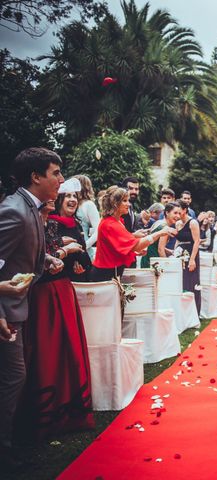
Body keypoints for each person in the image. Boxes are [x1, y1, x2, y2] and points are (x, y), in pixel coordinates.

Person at [0, 147, 64, 471]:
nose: (61, 180)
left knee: (14, 379)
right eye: (55, 173)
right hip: (6, 312)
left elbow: (24, 255)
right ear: (36, 176)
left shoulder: (33, 208)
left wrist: (46, 260)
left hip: (19, 308)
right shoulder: (14, 210)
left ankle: (11, 444)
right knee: (13, 378)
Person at [25, 196, 94, 440]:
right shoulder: (29, 222)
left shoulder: (53, 226)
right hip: (42, 293)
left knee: (70, 349)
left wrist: (74, 256)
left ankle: (71, 409)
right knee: (47, 350)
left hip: (63, 288)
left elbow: (84, 260)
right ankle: (47, 413)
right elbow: (31, 261)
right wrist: (66, 250)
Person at [90, 186, 174, 281]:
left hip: (110, 271)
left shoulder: (116, 221)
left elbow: (118, 243)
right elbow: (136, 245)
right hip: (105, 274)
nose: (129, 204)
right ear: (115, 204)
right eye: (125, 201)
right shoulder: (111, 224)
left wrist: (133, 240)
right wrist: (159, 233)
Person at [50, 188, 92, 282]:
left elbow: (82, 251)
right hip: (57, 280)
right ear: (59, 200)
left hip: (77, 279)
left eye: (75, 196)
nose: (73, 199)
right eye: (68, 196)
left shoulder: (76, 224)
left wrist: (82, 267)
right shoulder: (51, 224)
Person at [172, 199, 201, 313]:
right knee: (181, 280)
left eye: (179, 212)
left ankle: (194, 312)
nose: (178, 215)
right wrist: (174, 254)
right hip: (180, 254)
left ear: (185, 210)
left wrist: (192, 260)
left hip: (191, 253)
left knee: (191, 281)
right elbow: (177, 241)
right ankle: (183, 312)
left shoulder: (193, 222)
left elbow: (197, 241)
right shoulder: (178, 223)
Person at [73, 174, 100, 260]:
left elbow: (98, 230)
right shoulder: (71, 204)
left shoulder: (88, 205)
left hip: (85, 251)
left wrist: (85, 245)